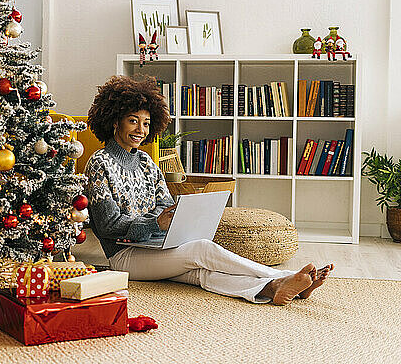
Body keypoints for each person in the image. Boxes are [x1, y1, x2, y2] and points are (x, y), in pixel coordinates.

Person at [84, 75, 333, 305]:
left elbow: (163, 205)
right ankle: (285, 276)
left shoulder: (146, 162)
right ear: (115, 121)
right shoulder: (99, 163)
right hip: (124, 255)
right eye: (133, 121)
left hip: (155, 246)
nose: (141, 130)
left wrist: (170, 219)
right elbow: (107, 226)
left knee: (203, 273)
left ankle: (273, 289)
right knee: (202, 249)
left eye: (147, 123)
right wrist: (153, 224)